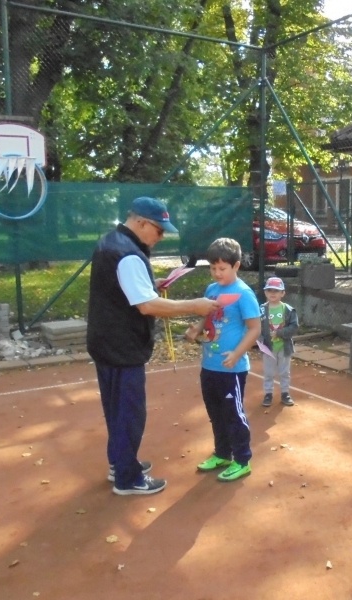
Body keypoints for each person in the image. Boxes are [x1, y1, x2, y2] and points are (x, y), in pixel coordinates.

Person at [86, 196, 218, 496]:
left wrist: (148, 284)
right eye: (159, 230)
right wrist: (194, 305)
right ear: (141, 223)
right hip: (122, 345)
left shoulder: (112, 241)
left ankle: (120, 463)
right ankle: (128, 479)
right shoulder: (129, 254)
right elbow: (147, 306)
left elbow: (122, 288)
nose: (161, 237)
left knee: (116, 408)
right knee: (129, 413)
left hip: (105, 341)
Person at [185, 238, 261, 482]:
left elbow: (255, 328)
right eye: (212, 268)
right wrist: (197, 329)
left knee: (233, 415)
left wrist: (237, 354)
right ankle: (222, 454)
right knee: (216, 413)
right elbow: (207, 317)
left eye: (222, 268)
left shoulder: (244, 294)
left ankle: (242, 460)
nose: (217, 273)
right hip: (209, 365)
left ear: (236, 265)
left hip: (232, 369)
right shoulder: (211, 290)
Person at [259, 276, 299, 407]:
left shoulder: (288, 309)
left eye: (276, 290)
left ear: (283, 293)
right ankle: (268, 394)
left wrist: (280, 333)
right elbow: (255, 326)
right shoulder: (261, 310)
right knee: (268, 372)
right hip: (268, 347)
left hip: (284, 346)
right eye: (269, 290)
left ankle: (285, 393)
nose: (272, 293)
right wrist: (258, 340)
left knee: (284, 372)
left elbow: (294, 326)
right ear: (265, 292)